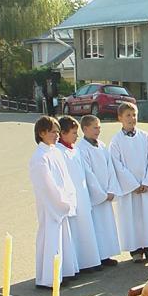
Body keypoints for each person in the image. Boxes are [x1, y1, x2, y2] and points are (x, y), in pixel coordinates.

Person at [109, 102, 148, 263]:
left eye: (134, 115)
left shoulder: (145, 137)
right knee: (132, 219)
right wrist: (132, 184)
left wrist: (147, 182)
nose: (132, 118)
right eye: (128, 115)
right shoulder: (116, 141)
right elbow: (116, 165)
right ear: (120, 118)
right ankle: (136, 251)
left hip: (145, 187)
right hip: (130, 189)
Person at [29, 116, 79, 288]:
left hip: (62, 201)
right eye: (52, 132)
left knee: (63, 239)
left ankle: (63, 272)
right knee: (50, 238)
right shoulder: (39, 157)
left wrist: (68, 197)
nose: (57, 135)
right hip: (50, 205)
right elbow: (45, 184)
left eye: (58, 132)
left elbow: (65, 178)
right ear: (41, 133)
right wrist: (59, 202)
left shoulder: (55, 152)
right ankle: (48, 278)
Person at [56, 116, 102, 272]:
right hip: (71, 196)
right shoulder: (59, 151)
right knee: (76, 231)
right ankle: (79, 264)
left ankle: (89, 261)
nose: (77, 136)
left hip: (82, 195)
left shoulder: (75, 149)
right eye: (74, 133)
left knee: (86, 228)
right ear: (63, 133)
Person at [77, 115, 121, 267]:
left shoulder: (102, 145)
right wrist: (101, 194)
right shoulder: (81, 149)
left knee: (106, 225)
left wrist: (111, 189)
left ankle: (106, 254)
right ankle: (97, 257)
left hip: (106, 192)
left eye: (99, 127)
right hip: (96, 197)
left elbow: (110, 168)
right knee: (96, 227)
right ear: (85, 129)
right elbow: (88, 174)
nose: (98, 130)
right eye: (95, 127)